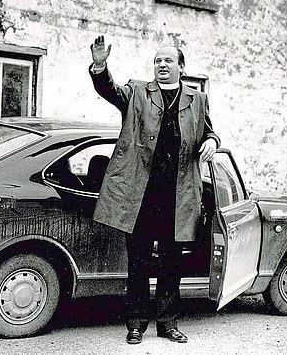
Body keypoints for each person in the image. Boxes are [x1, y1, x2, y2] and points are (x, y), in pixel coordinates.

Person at [89, 35, 220, 344]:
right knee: (139, 263)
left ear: (181, 67)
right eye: (157, 61)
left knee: (172, 263)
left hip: (179, 195)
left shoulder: (197, 100)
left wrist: (212, 141)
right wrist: (99, 65)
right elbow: (108, 90)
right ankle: (135, 323)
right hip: (141, 195)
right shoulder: (136, 92)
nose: (161, 65)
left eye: (168, 60)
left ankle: (168, 322)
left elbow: (209, 130)